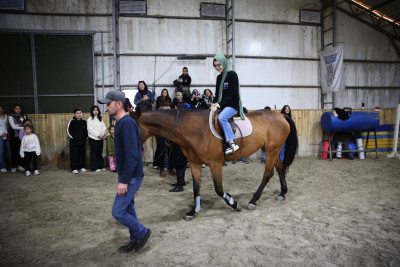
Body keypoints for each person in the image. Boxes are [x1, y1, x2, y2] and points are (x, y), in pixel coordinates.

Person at [98, 90, 151, 254]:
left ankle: (142, 232)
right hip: (127, 175)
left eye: (109, 104)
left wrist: (124, 180)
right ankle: (135, 240)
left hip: (132, 176)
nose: (106, 107)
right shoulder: (121, 123)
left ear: (119, 104)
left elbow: (132, 155)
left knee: (118, 212)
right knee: (128, 209)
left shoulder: (127, 123)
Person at [212, 54, 244, 156]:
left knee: (222, 118)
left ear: (224, 63)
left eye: (219, 65)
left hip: (232, 105)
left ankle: (232, 143)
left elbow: (232, 94)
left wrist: (220, 104)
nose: (217, 68)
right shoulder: (219, 77)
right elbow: (217, 94)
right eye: (215, 66)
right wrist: (214, 104)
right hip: (222, 105)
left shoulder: (232, 75)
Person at [67, 108, 88, 174]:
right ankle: (74, 168)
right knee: (74, 155)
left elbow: (87, 131)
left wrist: (85, 138)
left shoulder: (84, 122)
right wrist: (73, 138)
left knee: (82, 154)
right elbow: (68, 131)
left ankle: (81, 167)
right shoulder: (72, 121)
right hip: (74, 142)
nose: (79, 114)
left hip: (82, 142)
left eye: (80, 113)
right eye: (77, 113)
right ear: (74, 114)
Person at [8, 104, 26, 173]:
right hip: (14, 136)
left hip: (22, 135)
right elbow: (13, 127)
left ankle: (20, 165)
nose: (18, 110)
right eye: (16, 109)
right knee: (14, 151)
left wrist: (26, 128)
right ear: (13, 110)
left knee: (21, 150)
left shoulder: (23, 116)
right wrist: (24, 128)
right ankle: (14, 166)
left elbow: (25, 124)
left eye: (19, 109)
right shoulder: (11, 117)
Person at [87, 105, 106, 172]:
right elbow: (90, 129)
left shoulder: (100, 118)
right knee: (93, 153)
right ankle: (94, 167)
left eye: (97, 110)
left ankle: (100, 166)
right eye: (94, 110)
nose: (95, 111)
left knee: (99, 153)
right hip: (93, 138)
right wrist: (98, 135)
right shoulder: (90, 119)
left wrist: (102, 134)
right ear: (92, 111)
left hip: (100, 138)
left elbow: (104, 127)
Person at [0, 105, 12, 173]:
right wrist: (1, 133)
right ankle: (2, 167)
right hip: (0, 136)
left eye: (1, 108)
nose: (0, 110)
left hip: (6, 135)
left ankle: (11, 166)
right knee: (0, 152)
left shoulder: (7, 117)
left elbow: (7, 126)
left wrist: (6, 133)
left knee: (9, 151)